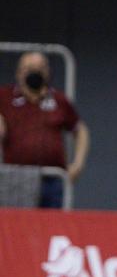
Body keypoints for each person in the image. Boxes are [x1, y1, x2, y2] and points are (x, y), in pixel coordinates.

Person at [0, 52, 90, 208]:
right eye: (29, 68)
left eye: (39, 68)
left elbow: (80, 131)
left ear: (47, 72)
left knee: (52, 225)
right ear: (18, 72)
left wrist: (78, 164)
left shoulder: (59, 100)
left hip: (52, 179)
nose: (34, 72)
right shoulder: (4, 97)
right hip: (16, 177)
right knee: (17, 225)